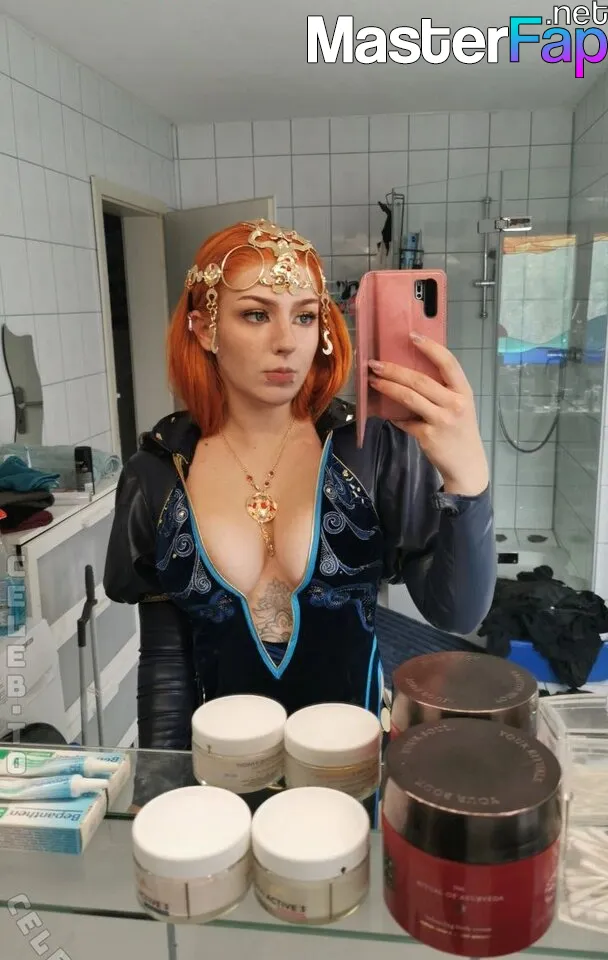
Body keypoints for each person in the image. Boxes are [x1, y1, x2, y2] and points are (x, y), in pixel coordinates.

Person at [103, 218, 496, 766]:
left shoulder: (371, 449)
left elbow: (457, 613)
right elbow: (167, 660)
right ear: (205, 328)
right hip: (222, 773)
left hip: (353, 765)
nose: (287, 342)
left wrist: (468, 479)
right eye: (256, 314)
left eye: (306, 316)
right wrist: (160, 778)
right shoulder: (157, 472)